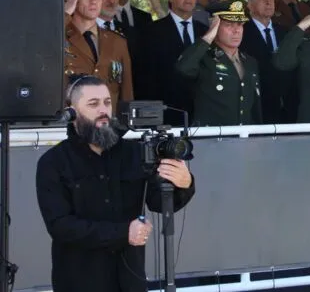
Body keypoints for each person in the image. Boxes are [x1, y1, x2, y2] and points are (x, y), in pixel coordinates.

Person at [35, 75, 195, 292]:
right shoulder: (53, 162)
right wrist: (123, 233)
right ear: (72, 112)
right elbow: (60, 226)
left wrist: (184, 184)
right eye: (93, 104)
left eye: (107, 102)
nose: (103, 110)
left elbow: (159, 202)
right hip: (80, 281)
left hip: (130, 280)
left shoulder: (135, 152)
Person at [176, 0, 263, 126]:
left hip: (244, 138)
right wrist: (209, 35)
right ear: (215, 26)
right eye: (229, 25)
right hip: (212, 139)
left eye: (239, 25)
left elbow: (255, 108)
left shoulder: (250, 62)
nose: (236, 30)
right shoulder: (204, 57)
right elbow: (183, 68)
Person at [63, 0, 133, 111]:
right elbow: (39, 44)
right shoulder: (59, 35)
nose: (93, 0)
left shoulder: (117, 42)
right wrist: (65, 14)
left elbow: (126, 95)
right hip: (69, 125)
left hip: (108, 127)